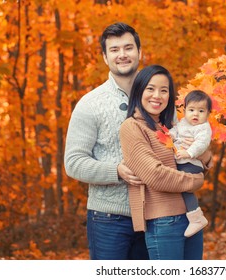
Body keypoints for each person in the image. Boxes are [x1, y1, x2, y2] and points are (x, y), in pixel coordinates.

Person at [64, 22, 149, 260]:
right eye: (114, 50)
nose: (122, 55)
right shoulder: (90, 104)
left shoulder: (158, 96)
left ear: (139, 52)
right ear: (105, 57)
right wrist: (117, 171)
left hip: (156, 216)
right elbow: (73, 162)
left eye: (128, 47)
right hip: (108, 219)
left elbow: (177, 144)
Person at [119, 64, 212, 260]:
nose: (157, 95)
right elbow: (155, 175)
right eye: (150, 88)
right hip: (164, 222)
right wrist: (195, 181)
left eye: (164, 90)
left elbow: (190, 160)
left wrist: (203, 156)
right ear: (139, 90)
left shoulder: (168, 127)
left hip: (191, 217)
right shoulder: (132, 127)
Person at [169, 90, 212, 238]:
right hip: (182, 160)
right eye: (191, 110)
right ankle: (193, 216)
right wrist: (170, 134)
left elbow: (201, 143)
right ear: (185, 110)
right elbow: (176, 131)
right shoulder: (183, 123)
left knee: (185, 188)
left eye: (201, 111)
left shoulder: (203, 128)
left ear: (207, 114)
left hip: (191, 162)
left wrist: (190, 153)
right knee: (182, 189)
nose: (196, 114)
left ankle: (196, 218)